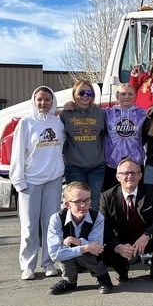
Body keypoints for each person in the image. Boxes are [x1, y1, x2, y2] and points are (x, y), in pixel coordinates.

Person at [10, 85, 65, 280]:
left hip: (53, 179)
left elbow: (62, 148)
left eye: (47, 100)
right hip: (30, 181)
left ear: (53, 101)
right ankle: (28, 265)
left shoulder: (58, 123)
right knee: (29, 226)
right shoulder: (26, 123)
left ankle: (48, 262)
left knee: (51, 224)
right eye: (39, 99)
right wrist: (18, 180)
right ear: (34, 101)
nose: (43, 103)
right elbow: (17, 153)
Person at [99, 157, 153, 284]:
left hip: (146, 238)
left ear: (140, 175)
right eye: (125, 173)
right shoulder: (107, 196)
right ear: (118, 176)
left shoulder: (152, 190)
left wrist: (147, 235)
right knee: (104, 244)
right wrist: (118, 246)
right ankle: (122, 271)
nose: (130, 176)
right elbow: (104, 226)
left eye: (134, 172)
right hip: (122, 240)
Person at [45, 181, 114, 295]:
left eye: (87, 200)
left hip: (91, 257)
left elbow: (96, 248)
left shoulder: (97, 217)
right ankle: (69, 281)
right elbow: (54, 253)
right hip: (71, 256)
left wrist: (76, 241)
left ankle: (103, 277)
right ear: (67, 205)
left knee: (82, 249)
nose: (84, 205)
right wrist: (84, 247)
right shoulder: (56, 219)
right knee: (67, 251)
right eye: (78, 201)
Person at [60, 79, 107, 209]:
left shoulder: (101, 113)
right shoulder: (66, 114)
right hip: (74, 167)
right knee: (77, 203)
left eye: (89, 93)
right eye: (81, 93)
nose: (85, 96)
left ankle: (93, 230)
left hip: (96, 167)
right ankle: (77, 229)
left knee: (94, 203)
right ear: (75, 94)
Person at [103, 83, 147, 191]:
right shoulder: (107, 113)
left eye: (130, 94)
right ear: (117, 96)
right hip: (112, 163)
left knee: (135, 197)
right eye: (123, 94)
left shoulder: (142, 113)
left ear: (135, 96)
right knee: (112, 197)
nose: (127, 97)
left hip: (135, 163)